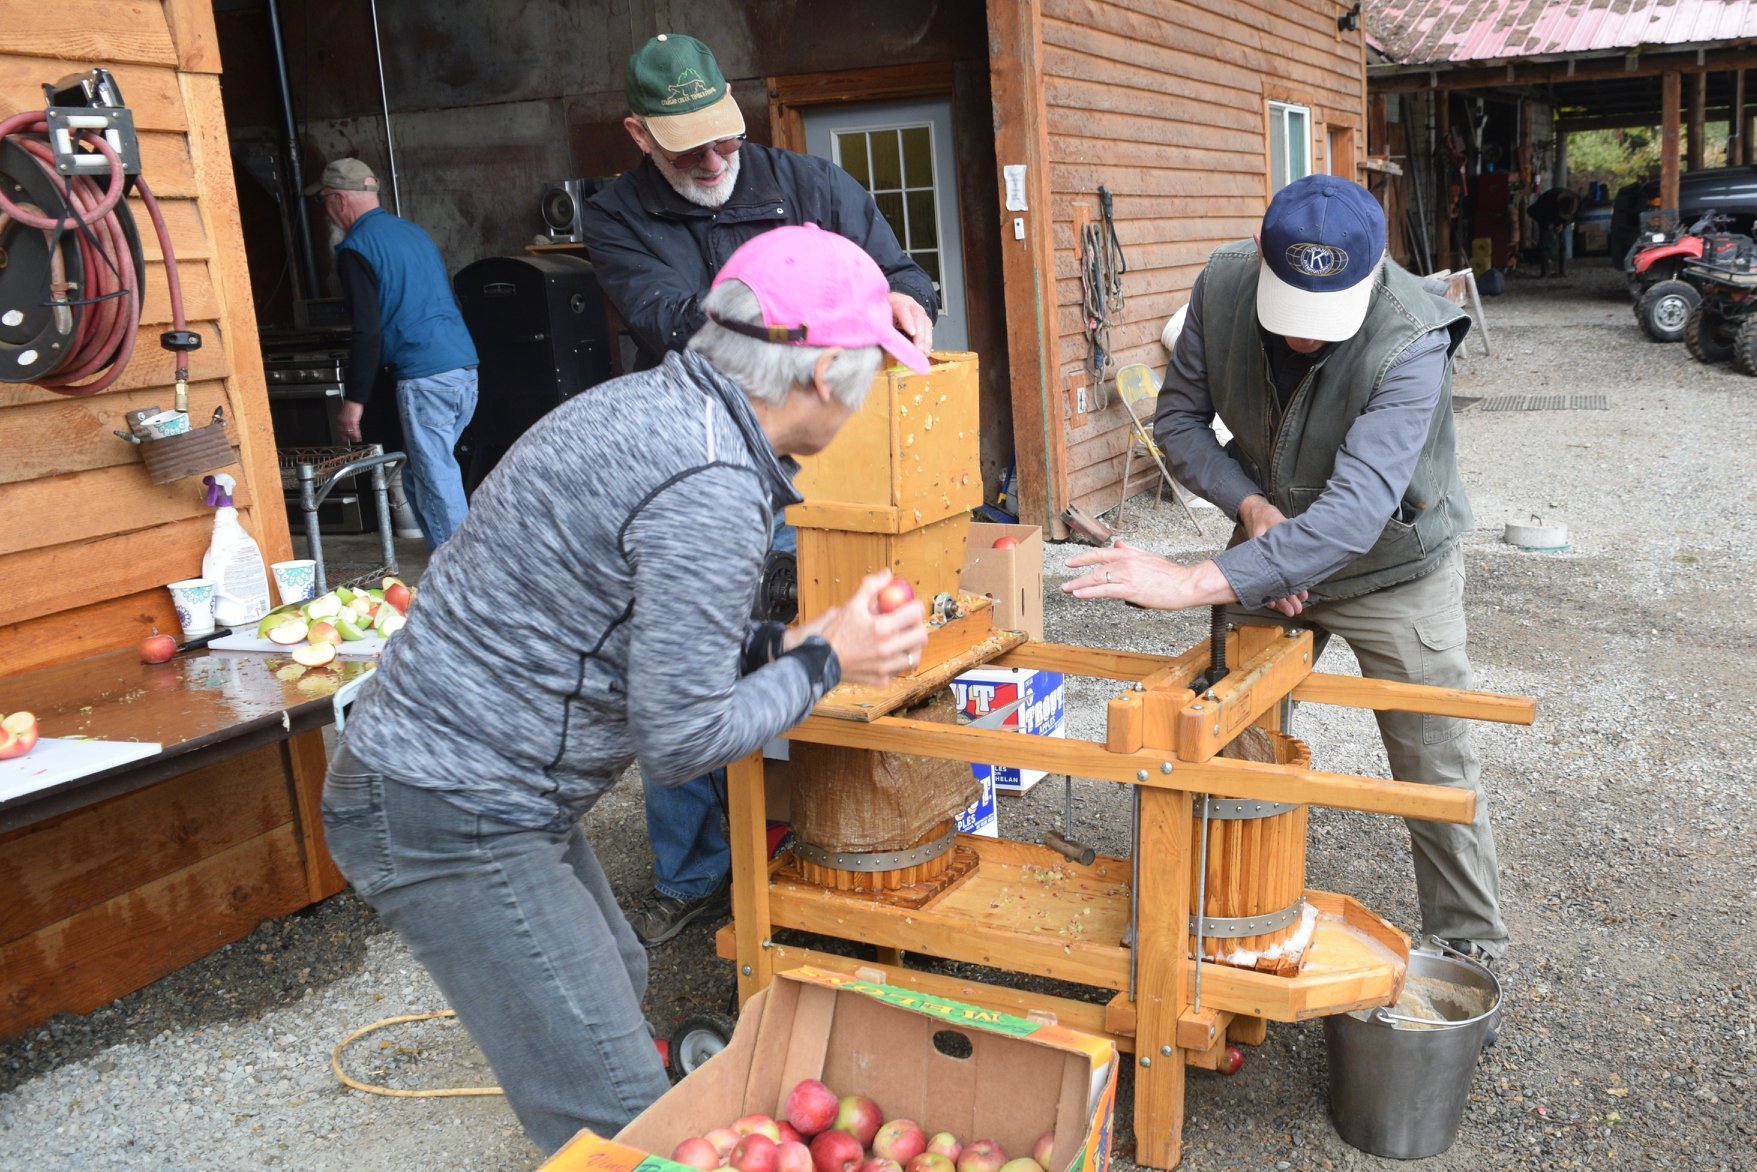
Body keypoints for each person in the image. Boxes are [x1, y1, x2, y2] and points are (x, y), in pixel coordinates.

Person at [321, 224, 932, 1155]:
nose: (864, 398)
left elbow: (631, 629)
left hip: (467, 780)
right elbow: (682, 741)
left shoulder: (645, 404)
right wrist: (825, 663)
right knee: (615, 1113)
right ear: (822, 374)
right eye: (870, 374)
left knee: (615, 972)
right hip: (448, 803)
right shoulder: (711, 481)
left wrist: (784, 642)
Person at [1063, 174, 1507, 966]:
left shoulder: (1414, 335)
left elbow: (1354, 514)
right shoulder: (1222, 285)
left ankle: (1466, 940)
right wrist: (1253, 508)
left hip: (1392, 566)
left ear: (1371, 275)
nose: (1304, 339)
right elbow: (1179, 422)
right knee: (1221, 728)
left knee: (1432, 758)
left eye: (1323, 318)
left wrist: (1191, 580)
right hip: (1268, 544)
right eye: (1291, 311)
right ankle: (1213, 915)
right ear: (1263, 260)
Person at [580, 32, 941, 946]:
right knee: (686, 663)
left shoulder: (809, 184)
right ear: (638, 135)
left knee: (830, 645)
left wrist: (903, 300)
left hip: (823, 454)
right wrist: (826, 310)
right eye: (687, 150)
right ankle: (694, 871)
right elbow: (678, 323)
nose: (713, 162)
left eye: (724, 139)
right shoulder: (615, 214)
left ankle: (831, 837)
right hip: (703, 462)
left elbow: (902, 275)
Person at [308, 158, 478, 548]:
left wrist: (355, 400)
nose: (325, 211)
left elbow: (367, 329)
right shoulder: (414, 233)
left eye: (323, 201)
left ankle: (465, 568)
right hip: (463, 369)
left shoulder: (356, 248)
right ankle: (447, 562)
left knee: (435, 477)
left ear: (338, 199)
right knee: (420, 475)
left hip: (424, 375)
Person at [1527, 185, 1579, 278]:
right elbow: (1533, 212)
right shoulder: (1546, 201)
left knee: (1562, 242)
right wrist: (1547, 224)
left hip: (1560, 218)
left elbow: (1575, 216)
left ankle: (1562, 270)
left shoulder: (1576, 202)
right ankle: (1545, 272)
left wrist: (1563, 224)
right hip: (1545, 215)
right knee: (1544, 242)